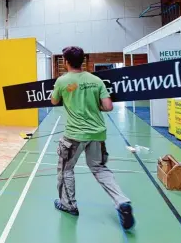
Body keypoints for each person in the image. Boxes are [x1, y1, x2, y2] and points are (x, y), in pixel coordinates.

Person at [50, 46, 135, 230]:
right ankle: (122, 202)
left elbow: (54, 101)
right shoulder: (96, 80)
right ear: (83, 61)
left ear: (65, 62)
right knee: (99, 168)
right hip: (97, 133)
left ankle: (68, 204)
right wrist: (92, 106)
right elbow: (108, 106)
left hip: (73, 135)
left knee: (66, 169)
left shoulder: (63, 81)